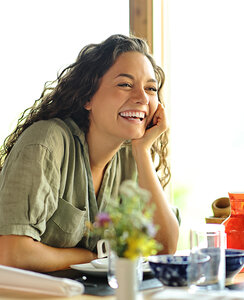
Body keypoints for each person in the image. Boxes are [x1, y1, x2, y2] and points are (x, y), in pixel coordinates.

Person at [0, 34, 179, 272]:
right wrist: (91, 257)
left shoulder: (132, 156)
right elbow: (11, 254)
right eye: (125, 84)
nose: (142, 98)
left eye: (151, 88)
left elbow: (165, 248)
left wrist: (143, 150)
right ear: (87, 97)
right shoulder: (46, 143)